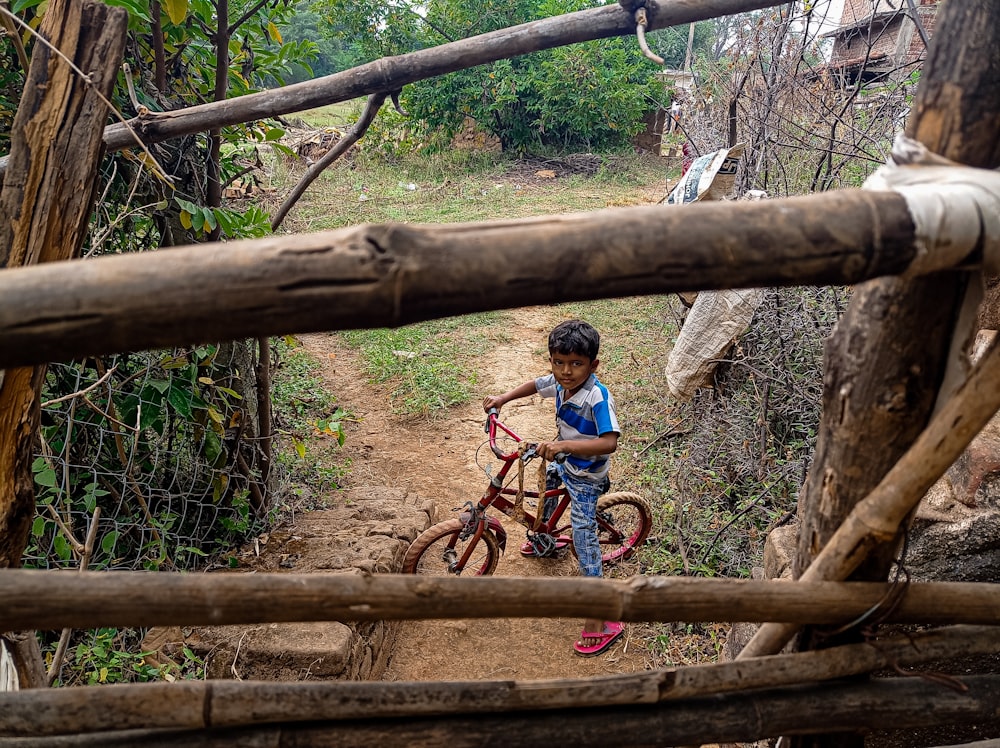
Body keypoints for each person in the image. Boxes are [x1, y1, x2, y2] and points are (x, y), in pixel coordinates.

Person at [482, 319, 624, 657]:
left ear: (593, 365)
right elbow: (536, 384)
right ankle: (545, 538)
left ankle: (602, 617)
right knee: (544, 486)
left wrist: (564, 447)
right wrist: (502, 399)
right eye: (558, 362)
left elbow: (609, 443)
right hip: (565, 460)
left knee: (583, 537)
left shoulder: (598, 398)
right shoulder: (560, 384)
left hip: (587, 475)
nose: (566, 371)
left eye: (576, 364)